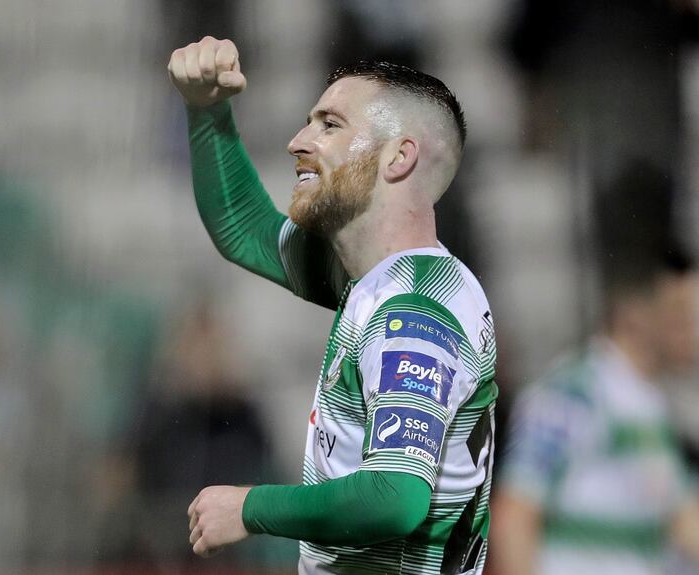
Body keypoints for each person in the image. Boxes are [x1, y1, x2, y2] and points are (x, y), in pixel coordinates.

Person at [168, 36, 498, 574]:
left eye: (330, 125)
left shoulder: (414, 313)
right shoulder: (373, 278)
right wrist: (208, 109)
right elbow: (243, 229)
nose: (298, 141)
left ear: (399, 156)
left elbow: (396, 496)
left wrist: (251, 508)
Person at [490, 251, 699, 575]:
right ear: (636, 313)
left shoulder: (650, 407)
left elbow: (685, 524)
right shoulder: (572, 396)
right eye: (681, 315)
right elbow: (513, 519)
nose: (693, 331)